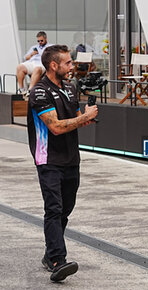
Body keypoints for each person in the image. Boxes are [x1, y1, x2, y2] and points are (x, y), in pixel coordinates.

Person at [27, 45, 98, 282]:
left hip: (71, 158)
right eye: (67, 63)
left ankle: (50, 254)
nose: (72, 66)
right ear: (54, 65)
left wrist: (85, 117)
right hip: (48, 159)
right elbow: (56, 127)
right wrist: (83, 118)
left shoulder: (70, 87)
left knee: (66, 209)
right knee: (54, 209)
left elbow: (73, 120)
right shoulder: (39, 92)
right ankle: (58, 260)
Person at [16, 31, 51, 96]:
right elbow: (25, 58)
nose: (40, 42)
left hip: (42, 63)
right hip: (32, 62)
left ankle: (30, 90)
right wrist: (31, 54)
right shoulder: (34, 47)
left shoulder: (50, 47)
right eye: (38, 41)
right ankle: (21, 89)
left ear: (46, 39)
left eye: (41, 40)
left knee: (37, 69)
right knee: (19, 67)